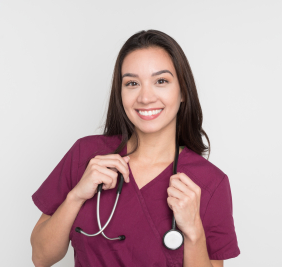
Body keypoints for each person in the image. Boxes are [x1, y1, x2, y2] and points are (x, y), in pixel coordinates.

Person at [30, 29, 240, 267]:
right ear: (120, 93)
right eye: (132, 83)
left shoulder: (209, 182)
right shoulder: (86, 155)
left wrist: (194, 232)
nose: (145, 97)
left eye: (161, 81)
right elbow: (41, 257)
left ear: (183, 92)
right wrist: (76, 196)